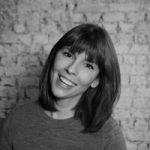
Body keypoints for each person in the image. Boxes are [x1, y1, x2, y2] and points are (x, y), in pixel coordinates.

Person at [0, 23, 127, 150]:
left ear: (96, 80)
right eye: (68, 54)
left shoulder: (108, 134)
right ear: (55, 55)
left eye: (88, 65)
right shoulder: (16, 119)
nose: (71, 69)